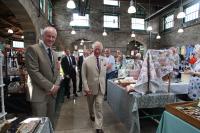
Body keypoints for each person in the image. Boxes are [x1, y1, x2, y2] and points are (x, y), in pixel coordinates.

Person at [25, 26, 60, 126]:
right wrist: (51, 87)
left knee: (50, 122)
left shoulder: (54, 53)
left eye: (53, 37)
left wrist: (56, 86)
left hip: (52, 95)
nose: (51, 39)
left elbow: (58, 71)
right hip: (39, 95)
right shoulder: (33, 49)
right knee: (39, 125)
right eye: (48, 36)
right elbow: (34, 72)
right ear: (43, 36)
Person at [82, 41, 107, 133]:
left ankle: (98, 127)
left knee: (99, 106)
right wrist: (86, 88)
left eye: (99, 49)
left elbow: (103, 75)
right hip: (90, 89)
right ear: (93, 49)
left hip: (101, 88)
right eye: (96, 49)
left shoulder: (104, 60)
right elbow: (83, 76)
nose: (97, 51)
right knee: (90, 104)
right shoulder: (86, 60)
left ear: (101, 50)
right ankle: (91, 114)